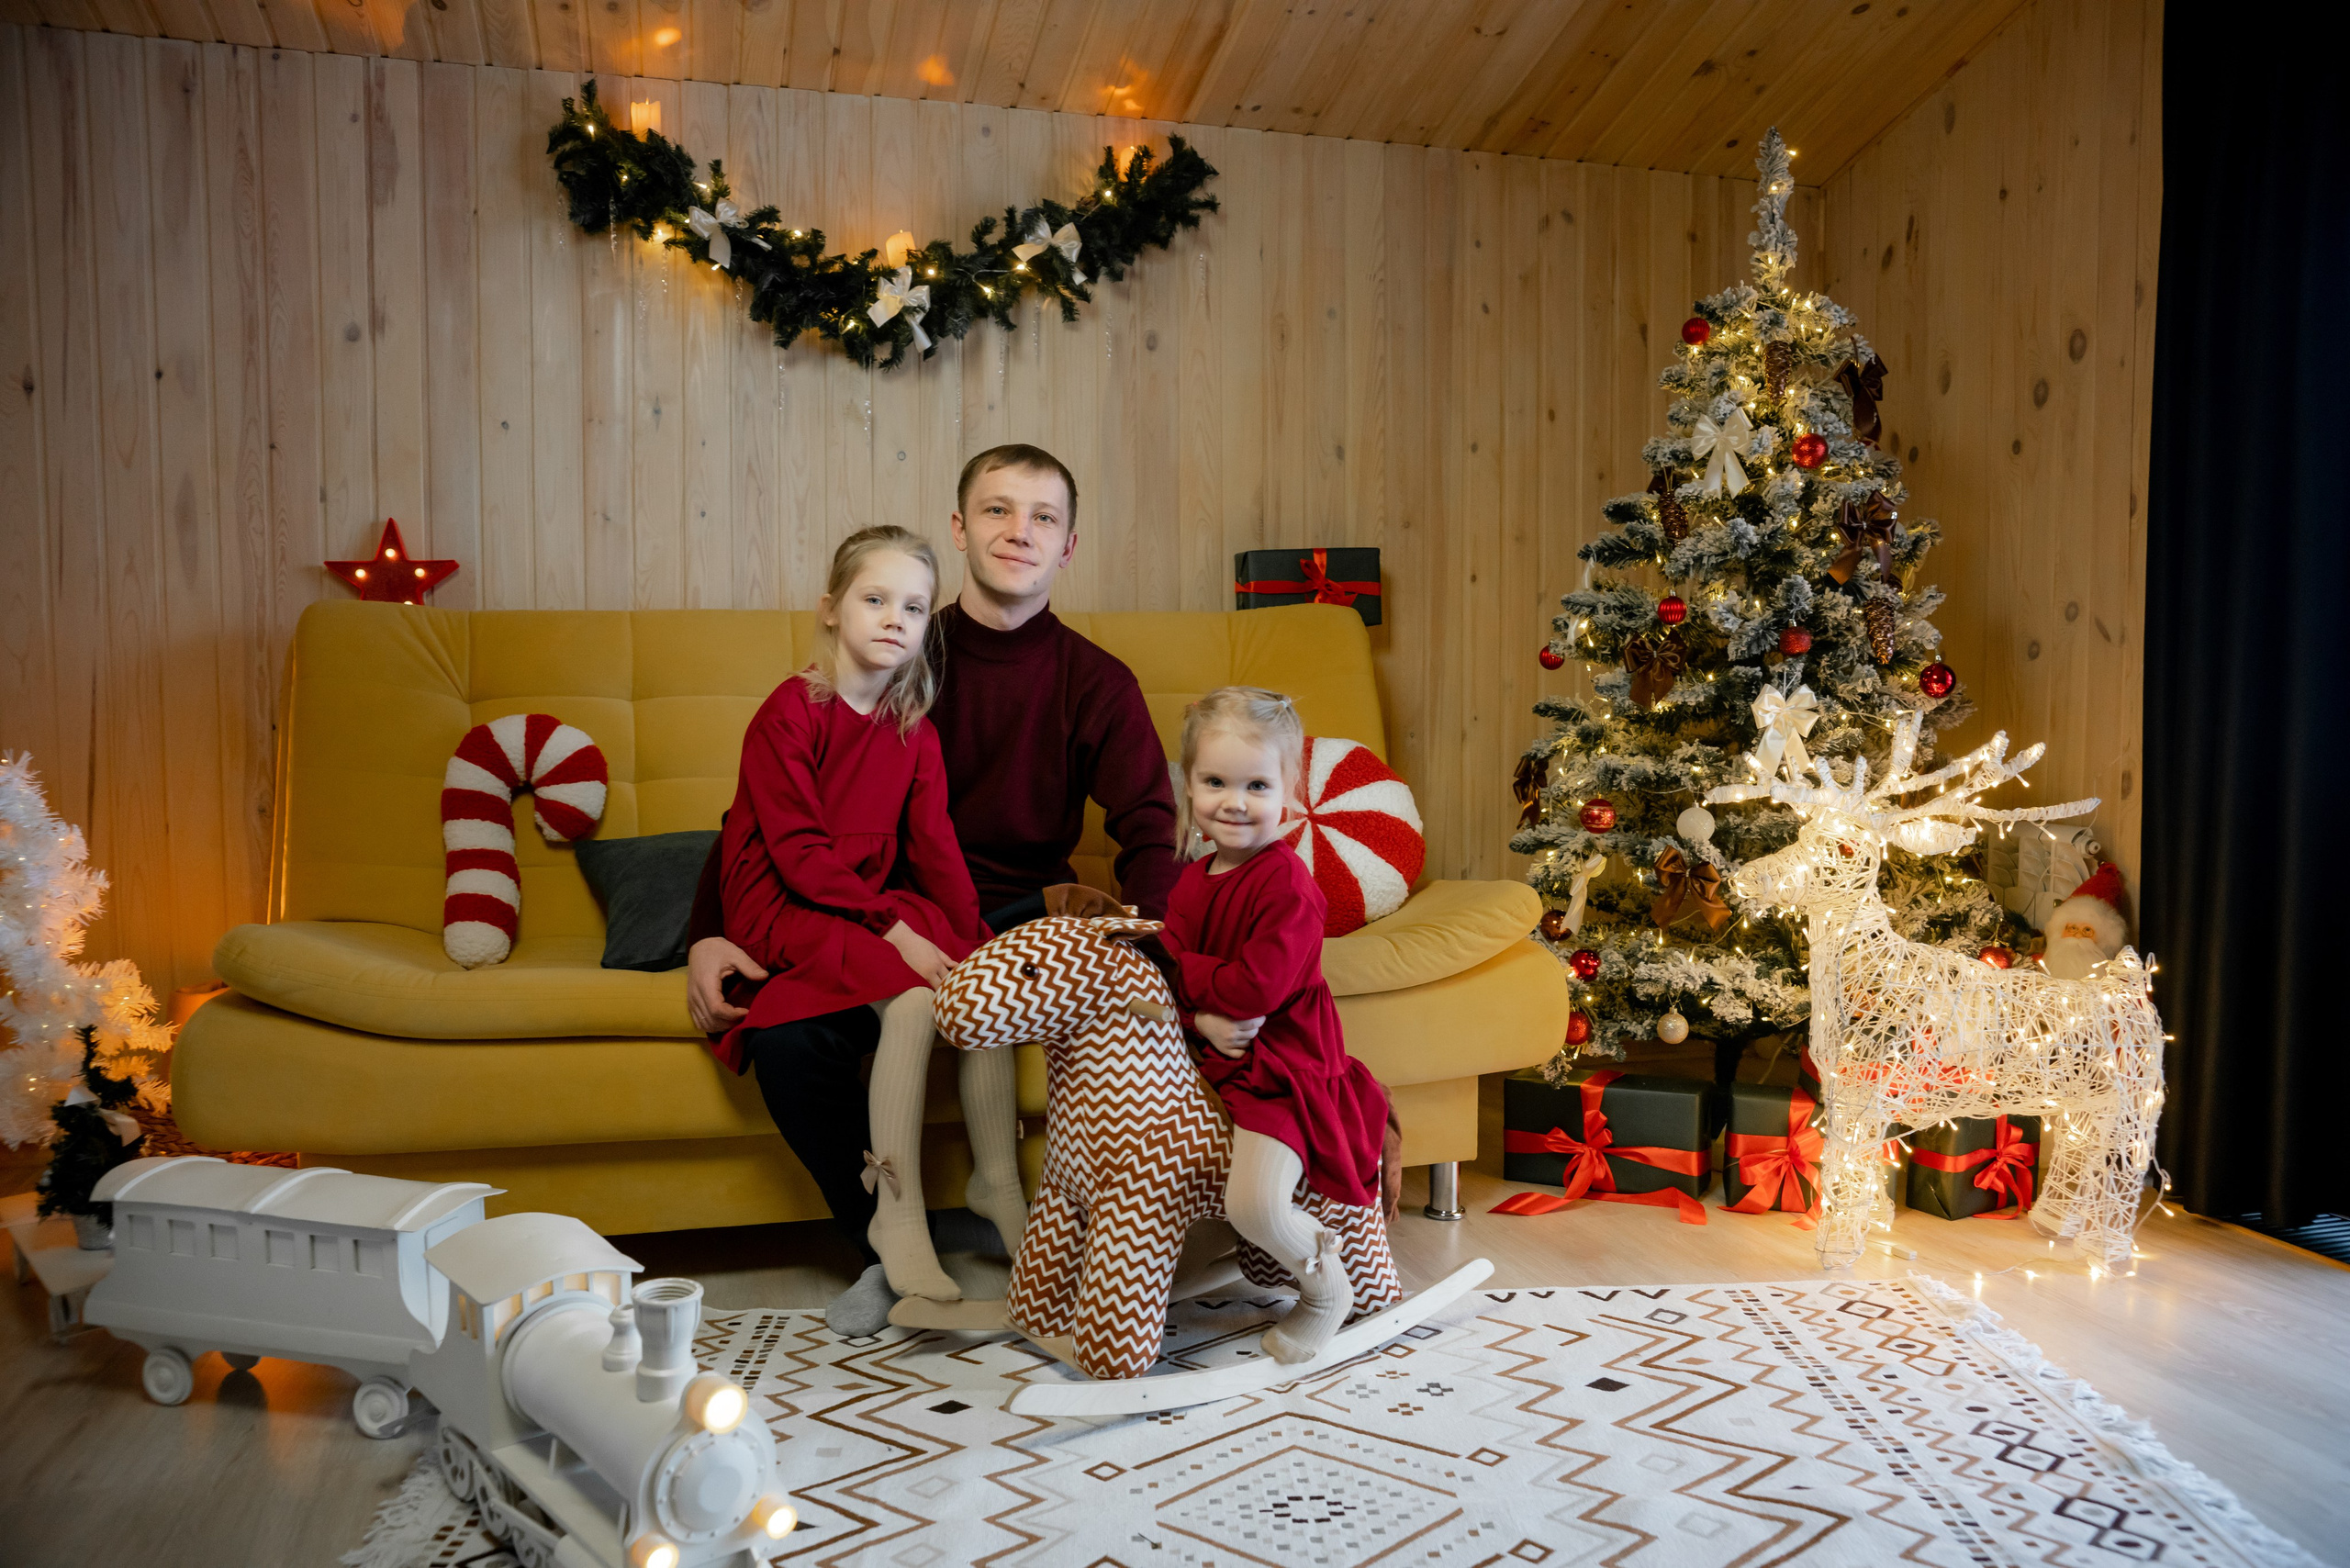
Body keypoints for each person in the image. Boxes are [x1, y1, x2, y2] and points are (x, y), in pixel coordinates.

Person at [686, 445, 1182, 1335]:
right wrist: (707, 933)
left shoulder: (1094, 681)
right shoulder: (900, 635)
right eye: (996, 510)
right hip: (864, 906)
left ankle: (1073, 1219)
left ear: (1068, 545)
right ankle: (885, 1244)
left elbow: (1150, 825)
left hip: (1005, 912)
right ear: (959, 529)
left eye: (1042, 517)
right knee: (793, 1045)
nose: (1018, 532)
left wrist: (1166, 955)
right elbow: (768, 814)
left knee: (1065, 977)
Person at [710, 525, 1024, 1311]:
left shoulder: (913, 727)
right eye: (875, 599)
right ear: (831, 609)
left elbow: (936, 844)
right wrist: (901, 934)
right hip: (787, 901)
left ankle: (998, 1185)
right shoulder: (791, 713)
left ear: (927, 626)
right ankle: (898, 1217)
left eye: (914, 607)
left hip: (864, 899)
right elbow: (798, 853)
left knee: (969, 986)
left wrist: (974, 940)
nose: (895, 619)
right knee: (916, 993)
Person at [1158, 687, 1393, 1365]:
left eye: (1257, 784)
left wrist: (1194, 982)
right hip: (1210, 1055)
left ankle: (1326, 1294)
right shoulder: (1192, 879)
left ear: (1290, 792)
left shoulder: (1287, 885)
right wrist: (1199, 1013)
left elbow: (1256, 989)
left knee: (1256, 1204)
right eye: (1215, 782)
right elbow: (1163, 975)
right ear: (1190, 786)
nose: (1235, 801)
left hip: (1280, 1069)